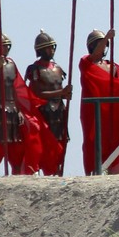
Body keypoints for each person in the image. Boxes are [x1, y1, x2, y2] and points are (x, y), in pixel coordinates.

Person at [0, 32, 44, 176]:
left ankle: (15, 174)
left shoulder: (11, 64)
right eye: (4, 46)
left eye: (7, 46)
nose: (7, 48)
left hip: (13, 109)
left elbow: (15, 88)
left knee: (16, 144)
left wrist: (19, 110)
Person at [79, 29, 119, 175]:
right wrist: (107, 37)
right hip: (94, 112)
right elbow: (94, 56)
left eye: (104, 43)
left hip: (113, 112)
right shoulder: (86, 63)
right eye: (99, 43)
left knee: (115, 140)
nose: (103, 47)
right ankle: (95, 171)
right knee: (94, 142)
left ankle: (114, 170)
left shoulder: (114, 66)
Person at [24, 30, 70, 177]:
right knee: (47, 143)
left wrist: (66, 94)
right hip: (44, 111)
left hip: (59, 110)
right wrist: (61, 93)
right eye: (48, 47)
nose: (51, 50)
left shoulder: (58, 68)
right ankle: (47, 172)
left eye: (52, 47)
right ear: (41, 49)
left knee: (62, 141)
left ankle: (58, 171)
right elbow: (37, 93)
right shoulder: (35, 69)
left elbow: (62, 91)